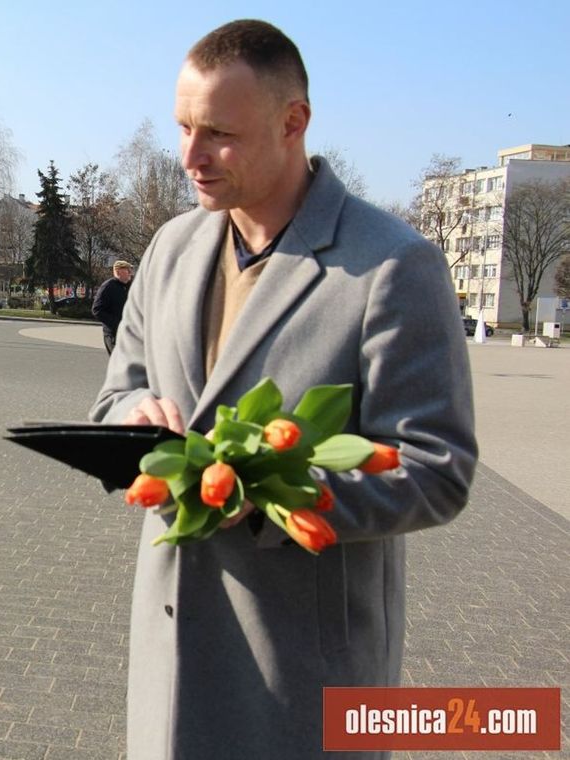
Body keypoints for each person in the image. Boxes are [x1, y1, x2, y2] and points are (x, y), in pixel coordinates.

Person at [89, 20, 476, 759]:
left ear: (293, 122)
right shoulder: (170, 248)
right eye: (182, 128)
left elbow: (437, 468)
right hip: (169, 662)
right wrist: (136, 420)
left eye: (218, 135)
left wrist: (266, 493)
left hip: (301, 681)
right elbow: (116, 394)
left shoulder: (394, 267)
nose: (190, 158)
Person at [91, 260, 133, 354]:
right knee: (120, 364)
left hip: (128, 333)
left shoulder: (129, 286)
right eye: (128, 270)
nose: (130, 273)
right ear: (118, 272)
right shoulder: (108, 287)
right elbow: (97, 310)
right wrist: (117, 323)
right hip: (113, 335)